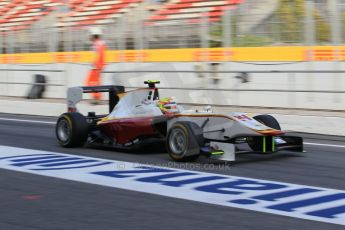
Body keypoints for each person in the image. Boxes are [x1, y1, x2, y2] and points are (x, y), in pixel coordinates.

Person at [85, 27, 107, 102]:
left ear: (94, 35)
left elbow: (99, 55)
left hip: (96, 66)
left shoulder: (98, 43)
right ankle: (97, 98)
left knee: (90, 82)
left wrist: (96, 66)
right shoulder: (100, 43)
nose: (89, 37)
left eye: (90, 35)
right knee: (95, 82)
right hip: (98, 66)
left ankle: (96, 98)